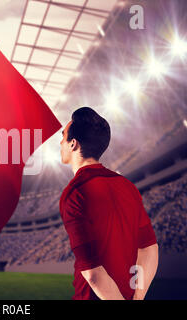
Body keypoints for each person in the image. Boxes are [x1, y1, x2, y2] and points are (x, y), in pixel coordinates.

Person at [59, 107, 159, 300]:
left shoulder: (75, 192)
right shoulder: (127, 186)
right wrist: (138, 295)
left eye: (63, 136)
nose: (60, 141)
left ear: (73, 144)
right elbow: (149, 248)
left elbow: (93, 273)